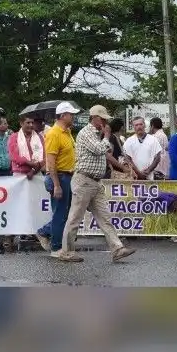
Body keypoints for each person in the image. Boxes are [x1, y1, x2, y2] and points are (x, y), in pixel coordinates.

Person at [57, 105, 137, 263]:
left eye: (106, 119)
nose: (105, 121)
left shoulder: (97, 134)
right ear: (94, 118)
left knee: (104, 217)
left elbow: (105, 153)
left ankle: (117, 248)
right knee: (74, 218)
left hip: (96, 181)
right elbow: (99, 150)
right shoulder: (86, 132)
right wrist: (107, 135)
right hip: (84, 180)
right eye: (103, 118)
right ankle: (66, 251)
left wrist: (105, 136)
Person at [38, 102, 79, 257]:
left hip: (67, 176)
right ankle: (56, 248)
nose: (73, 117)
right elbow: (51, 162)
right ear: (63, 116)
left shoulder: (66, 132)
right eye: (71, 114)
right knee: (60, 214)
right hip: (59, 177)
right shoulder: (54, 134)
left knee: (66, 213)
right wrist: (56, 185)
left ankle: (47, 234)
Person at [123, 116, 163, 181]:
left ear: (144, 125)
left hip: (149, 177)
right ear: (134, 127)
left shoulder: (153, 139)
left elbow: (157, 158)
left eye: (141, 124)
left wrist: (148, 171)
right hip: (133, 177)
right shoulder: (129, 141)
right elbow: (128, 159)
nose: (139, 127)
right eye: (136, 125)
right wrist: (138, 173)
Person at [8, 115, 45, 179]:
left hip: (36, 173)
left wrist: (33, 171)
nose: (31, 125)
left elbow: (44, 155)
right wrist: (29, 163)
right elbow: (13, 156)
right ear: (21, 123)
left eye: (32, 123)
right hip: (19, 173)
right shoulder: (14, 137)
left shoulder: (39, 138)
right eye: (28, 123)